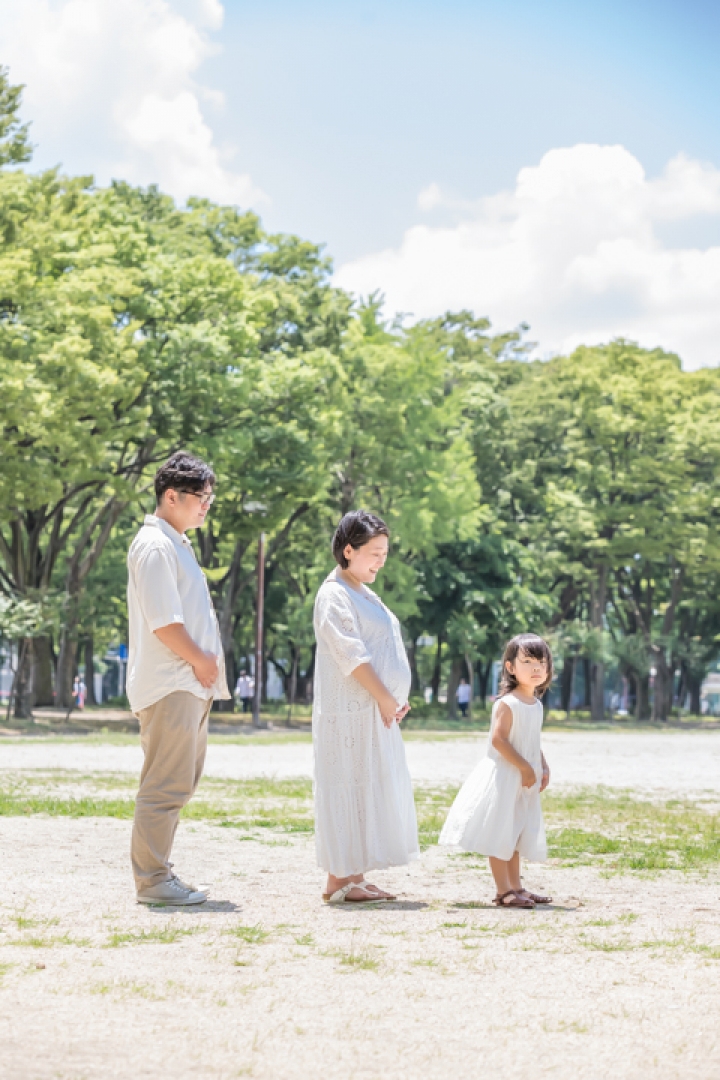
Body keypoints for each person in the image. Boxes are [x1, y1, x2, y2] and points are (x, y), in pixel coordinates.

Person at [127, 451, 230, 906]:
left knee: (179, 782)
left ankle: (159, 874)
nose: (207, 504)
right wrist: (202, 660)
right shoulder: (154, 546)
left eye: (209, 497)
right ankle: (152, 881)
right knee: (164, 786)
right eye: (200, 497)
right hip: (172, 681)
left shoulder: (176, 543)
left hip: (187, 683)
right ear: (171, 496)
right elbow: (163, 622)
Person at [313, 510, 419, 904]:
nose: (380, 561)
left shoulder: (360, 589)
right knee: (348, 784)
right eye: (374, 553)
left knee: (364, 787)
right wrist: (384, 696)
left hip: (372, 712)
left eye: (384, 553)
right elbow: (352, 655)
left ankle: (352, 875)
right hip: (350, 713)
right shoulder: (334, 594)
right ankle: (340, 876)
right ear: (348, 550)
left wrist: (392, 700)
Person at [439, 633, 553, 909]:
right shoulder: (508, 703)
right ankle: (503, 890)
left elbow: (530, 740)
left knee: (514, 834)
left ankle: (517, 886)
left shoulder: (535, 703)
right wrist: (524, 767)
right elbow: (498, 740)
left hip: (524, 777)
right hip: (506, 776)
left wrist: (542, 763)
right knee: (501, 833)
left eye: (541, 662)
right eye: (527, 662)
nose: (536, 668)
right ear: (511, 667)